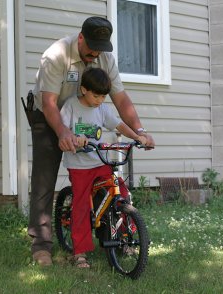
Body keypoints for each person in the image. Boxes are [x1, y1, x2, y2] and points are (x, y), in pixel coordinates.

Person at [28, 16, 155, 266]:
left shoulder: (104, 57)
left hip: (87, 116)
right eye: (91, 47)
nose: (94, 53)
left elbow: (120, 99)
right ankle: (41, 246)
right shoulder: (56, 55)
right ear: (81, 37)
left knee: (102, 179)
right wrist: (63, 133)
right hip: (49, 114)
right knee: (45, 176)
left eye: (100, 48)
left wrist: (139, 130)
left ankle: (108, 235)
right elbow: (49, 103)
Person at [60, 67, 148, 268]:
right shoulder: (71, 106)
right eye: (96, 95)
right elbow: (63, 128)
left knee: (121, 194)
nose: (100, 100)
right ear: (84, 89)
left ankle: (125, 239)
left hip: (100, 162)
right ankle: (80, 252)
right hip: (79, 166)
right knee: (81, 205)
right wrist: (73, 138)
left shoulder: (103, 109)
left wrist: (137, 136)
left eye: (103, 96)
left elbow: (118, 125)